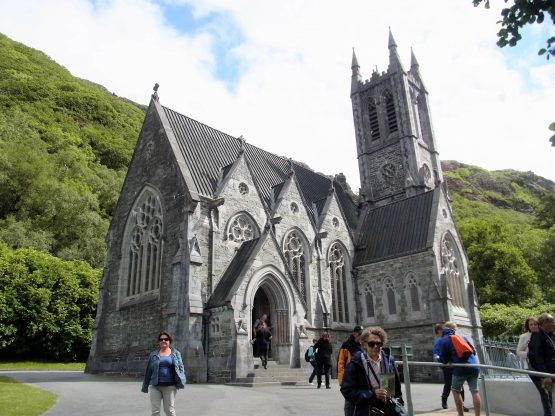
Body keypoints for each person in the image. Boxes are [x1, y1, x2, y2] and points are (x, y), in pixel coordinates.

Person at [340, 326, 403, 416]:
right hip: (365, 411)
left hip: (385, 410)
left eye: (379, 343)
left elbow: (396, 390)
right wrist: (372, 394)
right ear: (364, 344)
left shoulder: (388, 361)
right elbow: (347, 390)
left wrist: (394, 402)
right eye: (371, 343)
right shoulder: (356, 363)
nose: (375, 346)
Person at [438, 322, 481, 416]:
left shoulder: (444, 340)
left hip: (460, 369)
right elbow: (473, 351)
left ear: (444, 331)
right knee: (475, 391)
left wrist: (442, 359)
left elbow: (443, 359)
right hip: (474, 367)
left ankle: (460, 414)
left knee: (455, 390)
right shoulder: (463, 337)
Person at [141, 331, 186, 416]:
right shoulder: (153, 355)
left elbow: (181, 369)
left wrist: (181, 381)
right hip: (155, 387)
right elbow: (148, 371)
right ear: (159, 341)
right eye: (161, 339)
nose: (163, 341)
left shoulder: (176, 354)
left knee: (169, 410)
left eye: (166, 339)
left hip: (170, 387)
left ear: (169, 341)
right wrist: (145, 386)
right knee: (155, 412)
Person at [433, 323, 467, 411]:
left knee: (460, 385)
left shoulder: (451, 338)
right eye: (442, 330)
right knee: (448, 384)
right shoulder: (439, 341)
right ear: (439, 331)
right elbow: (435, 354)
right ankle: (444, 401)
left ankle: (462, 405)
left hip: (455, 364)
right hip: (446, 366)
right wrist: (440, 360)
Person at [528, 313, 555, 416]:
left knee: (549, 394)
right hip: (538, 371)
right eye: (552, 321)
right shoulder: (537, 337)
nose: (554, 323)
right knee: (545, 395)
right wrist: (545, 375)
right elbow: (539, 358)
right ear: (544, 324)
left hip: (550, 369)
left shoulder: (551, 335)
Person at [338, 325, 364, 416]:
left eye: (363, 333)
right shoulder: (347, 345)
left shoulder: (365, 345)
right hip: (350, 379)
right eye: (360, 333)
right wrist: (341, 380)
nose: (362, 335)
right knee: (350, 403)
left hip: (362, 378)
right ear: (354, 334)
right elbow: (340, 363)